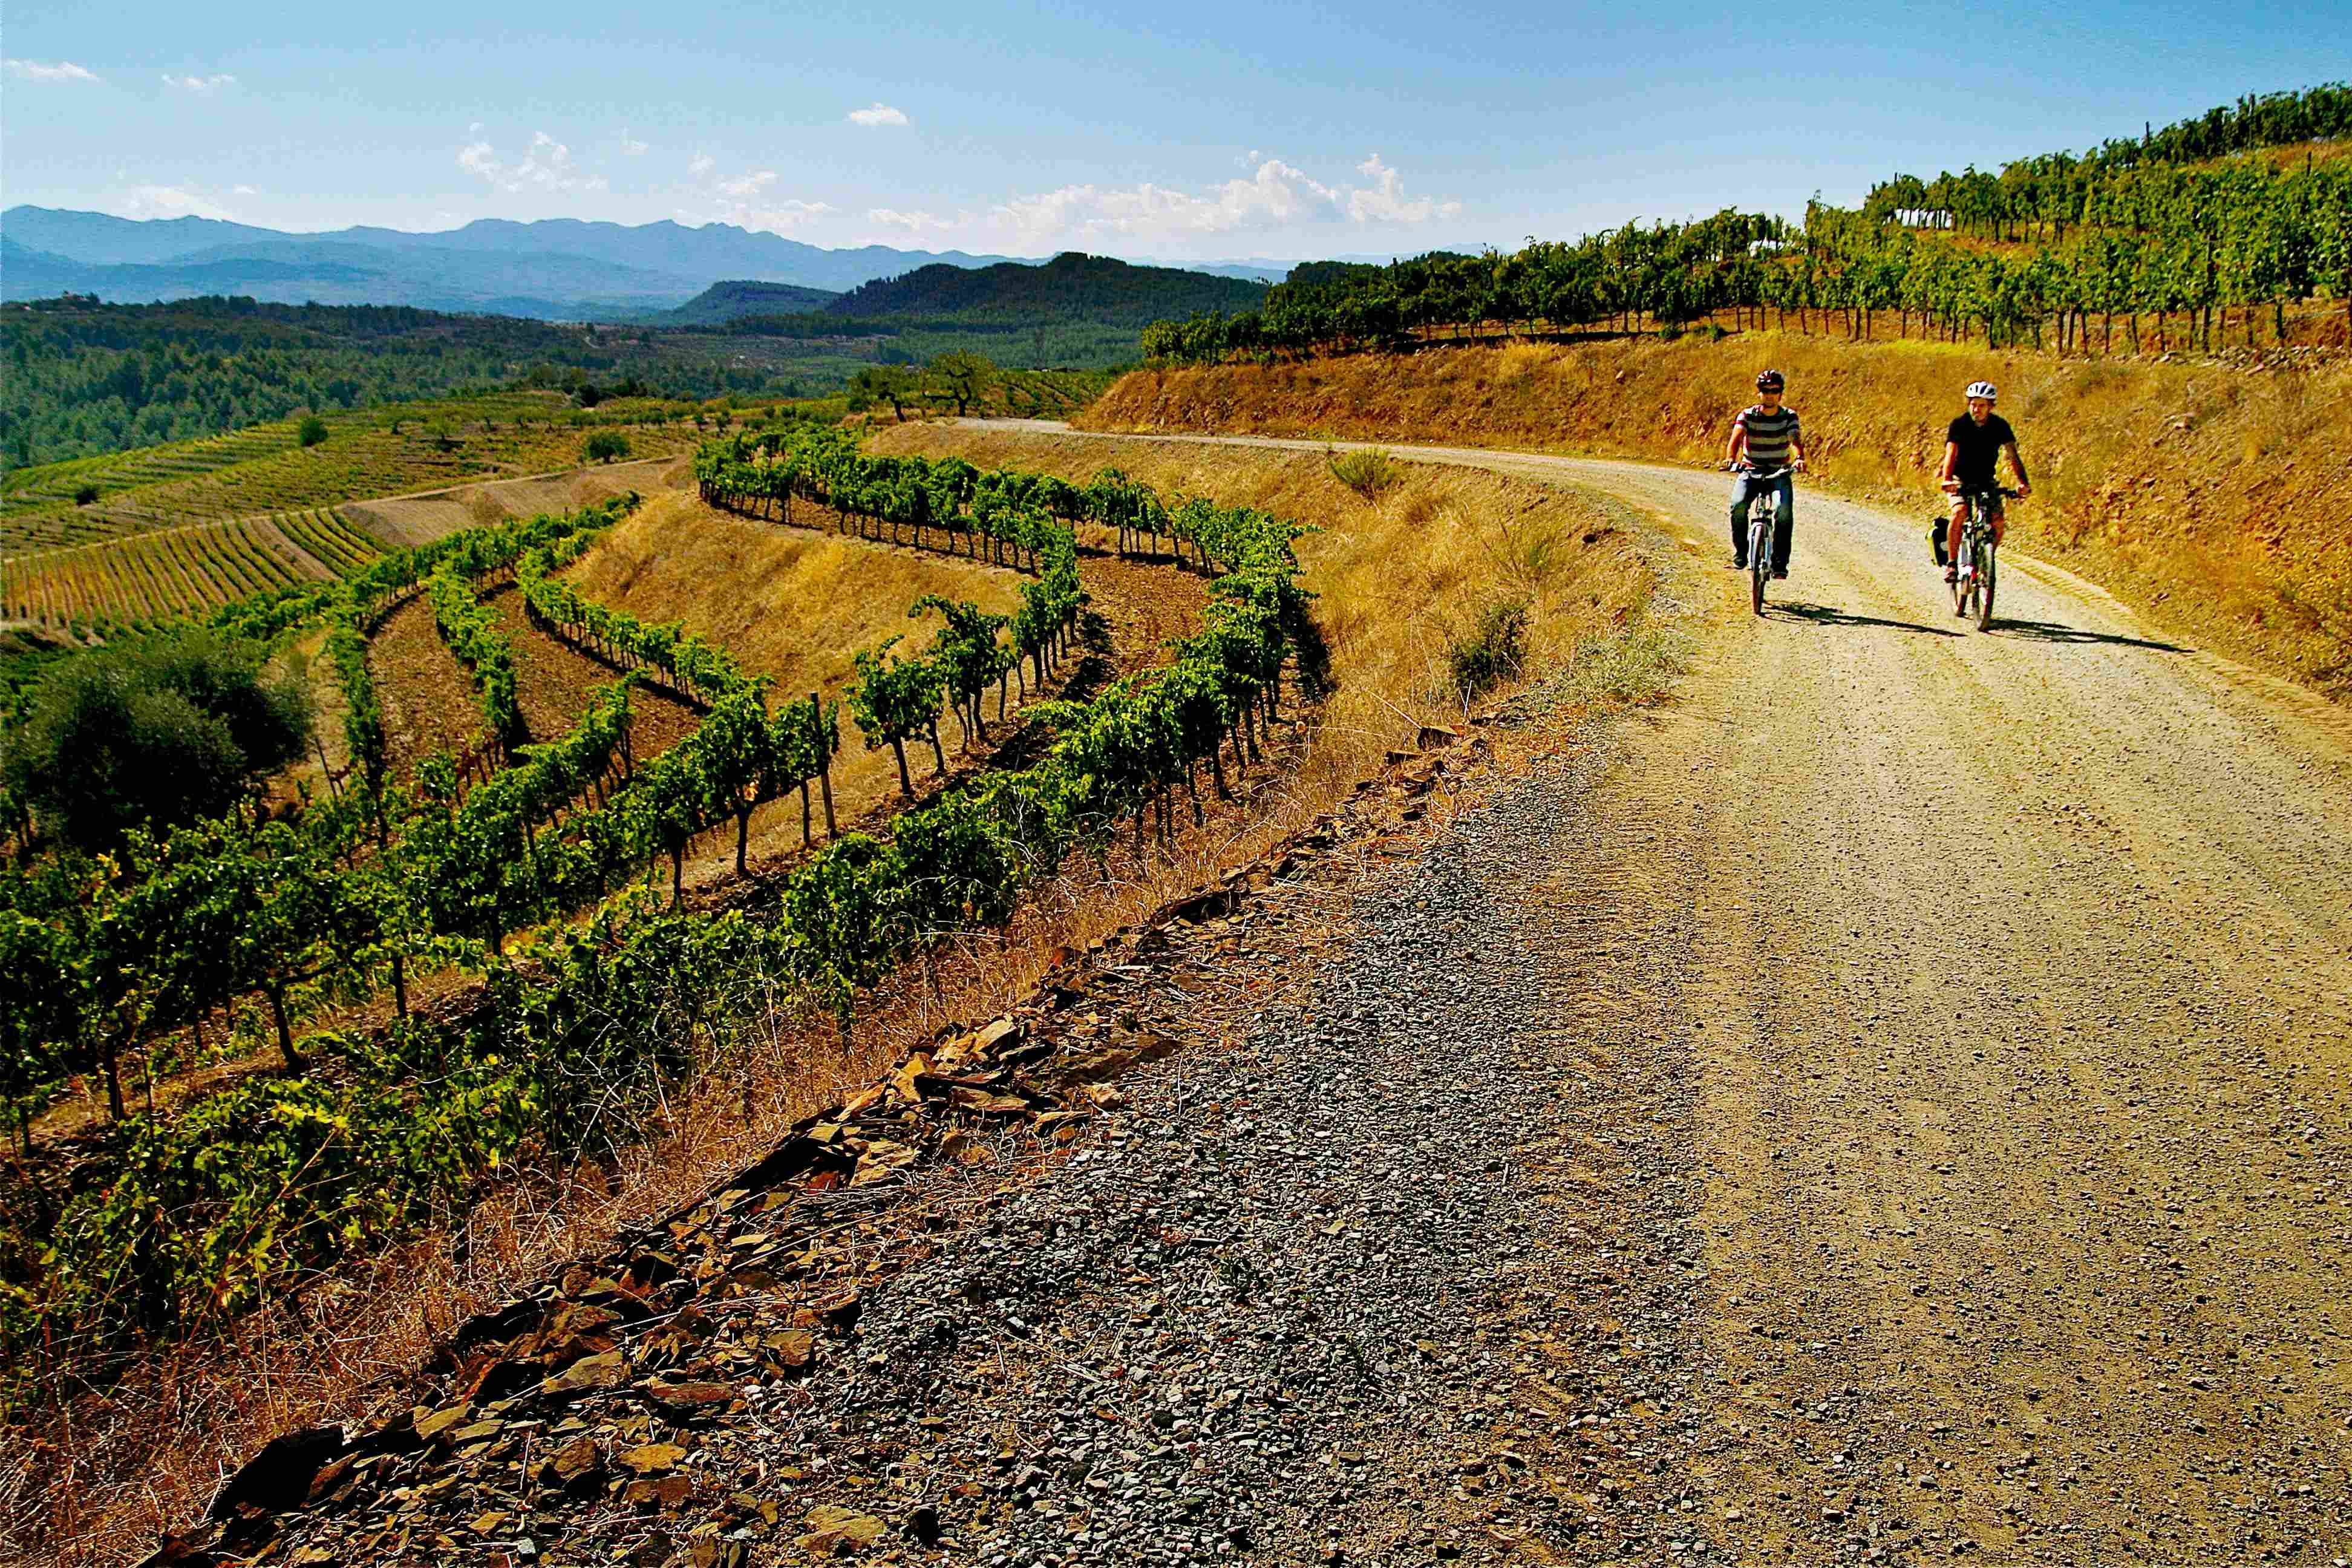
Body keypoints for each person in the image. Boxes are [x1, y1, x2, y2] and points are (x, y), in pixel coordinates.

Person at [1937, 381, 2030, 581]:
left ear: (1991, 407)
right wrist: (1947, 480)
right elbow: (1950, 454)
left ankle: (1985, 560)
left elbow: (2013, 456)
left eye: (1981, 405)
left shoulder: (2000, 426)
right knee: (1960, 512)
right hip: (1958, 477)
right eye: (1973, 404)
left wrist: (2023, 483)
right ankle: (1952, 564)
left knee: (1997, 522)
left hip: (1986, 479)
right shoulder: (1959, 425)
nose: (1976, 409)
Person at [1725, 370, 1807, 577]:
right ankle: (1741, 553)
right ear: (1759, 393)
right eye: (1765, 391)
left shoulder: (1789, 416)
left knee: (1783, 510)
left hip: (1779, 472)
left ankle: (1780, 563)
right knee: (1738, 506)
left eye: (1775, 391)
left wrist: (1799, 458)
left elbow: (1795, 440)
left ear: (1781, 394)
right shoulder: (1747, 415)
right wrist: (1730, 459)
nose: (1769, 395)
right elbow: (1735, 439)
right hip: (1751, 470)